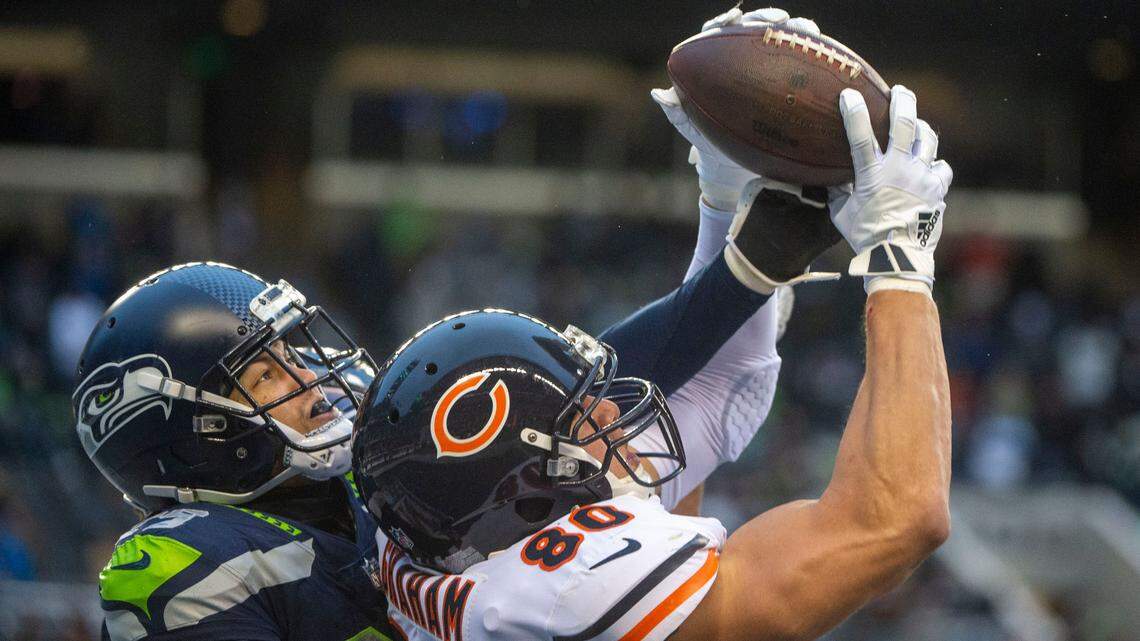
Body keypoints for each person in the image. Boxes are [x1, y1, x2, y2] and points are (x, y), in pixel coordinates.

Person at [350, 53, 954, 641]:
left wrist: (727, 210)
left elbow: (714, 399)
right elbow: (897, 519)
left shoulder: (436, 534)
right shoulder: (565, 591)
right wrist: (899, 259)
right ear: (521, 486)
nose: (613, 411)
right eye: (586, 418)